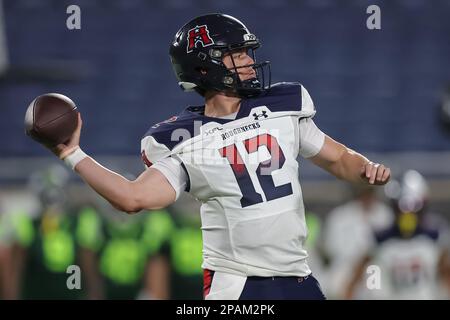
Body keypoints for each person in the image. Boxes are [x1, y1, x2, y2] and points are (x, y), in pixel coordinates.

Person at [36, 13, 391, 300]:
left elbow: (338, 158)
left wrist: (366, 168)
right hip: (238, 285)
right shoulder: (181, 136)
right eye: (238, 55)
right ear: (205, 67)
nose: (250, 62)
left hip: (298, 277)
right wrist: (72, 154)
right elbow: (133, 198)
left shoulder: (283, 106)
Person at [344, 170, 450, 300]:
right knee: (372, 279)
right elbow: (358, 276)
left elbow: (446, 276)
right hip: (391, 296)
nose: (407, 214)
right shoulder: (380, 240)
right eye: (401, 208)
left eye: (413, 207)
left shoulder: (436, 237)